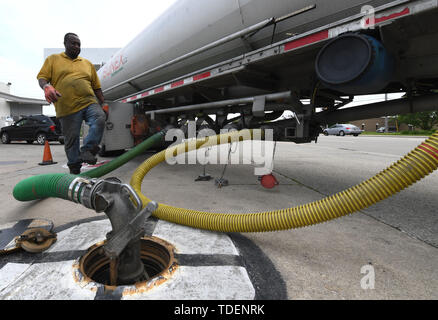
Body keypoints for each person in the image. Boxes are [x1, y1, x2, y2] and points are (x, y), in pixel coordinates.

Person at [37, 32, 107, 174]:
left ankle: (88, 150)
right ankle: (75, 169)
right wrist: (46, 87)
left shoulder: (87, 63)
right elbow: (42, 78)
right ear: (65, 44)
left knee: (100, 118)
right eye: (73, 43)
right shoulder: (53, 59)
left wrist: (103, 103)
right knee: (71, 140)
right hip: (66, 106)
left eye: (78, 44)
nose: (76, 46)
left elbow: (96, 87)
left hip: (88, 101)